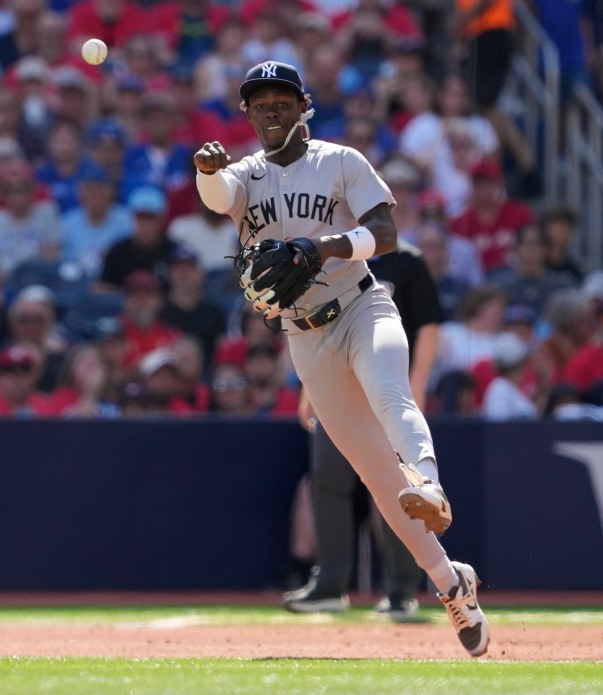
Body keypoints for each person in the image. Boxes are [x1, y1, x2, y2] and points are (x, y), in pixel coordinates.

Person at [192, 61, 489, 657]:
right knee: (379, 478)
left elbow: (386, 235)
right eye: (260, 103)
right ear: (247, 112)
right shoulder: (244, 174)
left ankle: (431, 484)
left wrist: (321, 245)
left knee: (390, 394)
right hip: (305, 337)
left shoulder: (340, 161)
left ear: (304, 106)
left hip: (362, 307)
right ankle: (452, 583)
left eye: (282, 101)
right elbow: (218, 198)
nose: (271, 110)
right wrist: (206, 170)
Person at [286, 240, 445, 620]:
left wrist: (417, 384)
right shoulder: (328, 255)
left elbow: (428, 325)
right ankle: (329, 585)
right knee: (327, 480)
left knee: (398, 486)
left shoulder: (406, 260)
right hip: (336, 387)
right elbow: (313, 327)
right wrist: (310, 388)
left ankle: (402, 590)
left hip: (385, 389)